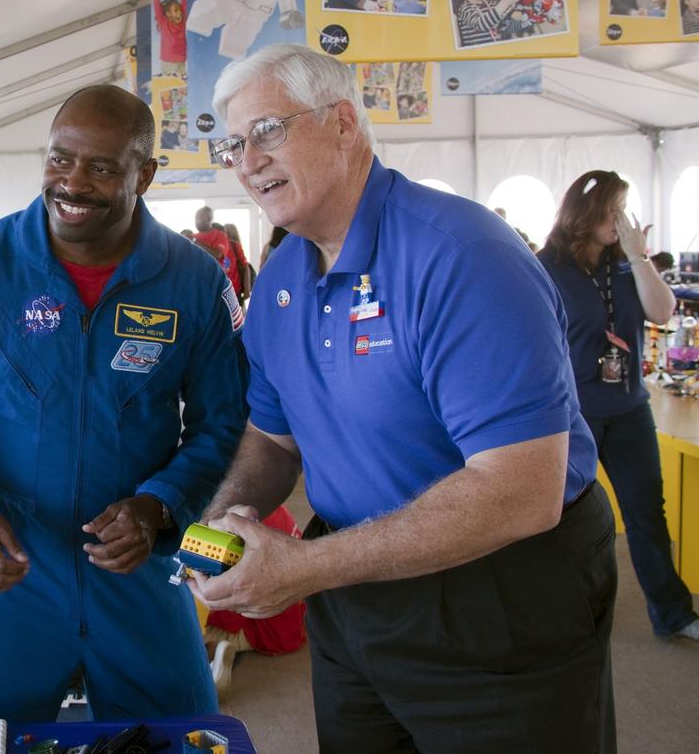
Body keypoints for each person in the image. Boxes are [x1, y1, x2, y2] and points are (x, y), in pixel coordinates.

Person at [196, 45, 615, 751]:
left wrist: (303, 568)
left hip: (498, 593)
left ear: (344, 124)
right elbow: (274, 438)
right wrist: (216, 522)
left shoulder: (460, 253)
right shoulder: (281, 280)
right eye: (233, 143)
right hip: (354, 592)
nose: (246, 159)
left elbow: (521, 491)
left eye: (267, 130)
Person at [0, 85, 247, 724]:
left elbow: (225, 420)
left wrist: (161, 503)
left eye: (101, 168)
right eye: (60, 159)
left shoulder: (193, 281)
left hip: (143, 566)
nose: (72, 183)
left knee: (179, 734)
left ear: (145, 175)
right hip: (12, 569)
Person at [538, 171, 699, 641]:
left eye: (624, 209)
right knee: (564, 519)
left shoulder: (628, 262)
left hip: (629, 409)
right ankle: (559, 618)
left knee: (647, 511)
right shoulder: (548, 265)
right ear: (585, 214)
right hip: (574, 414)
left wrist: (638, 255)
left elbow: (663, 311)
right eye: (613, 210)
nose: (622, 220)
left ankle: (673, 613)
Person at [202, 505, 306, 698]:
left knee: (192, 616)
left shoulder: (222, 526)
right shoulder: (268, 501)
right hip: (296, 617)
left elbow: (231, 600)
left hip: (265, 625)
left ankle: (209, 658)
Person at [194, 206, 242, 294]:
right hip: (202, 287)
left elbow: (217, 254)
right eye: (195, 218)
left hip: (224, 288)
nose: (195, 222)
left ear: (208, 219)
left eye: (198, 218)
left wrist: (195, 242)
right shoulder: (194, 237)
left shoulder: (220, 236)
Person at [152, 0, 187, 78]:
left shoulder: (183, 21)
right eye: (176, 11)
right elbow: (157, 7)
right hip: (167, 61)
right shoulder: (163, 23)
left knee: (180, 84)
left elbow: (184, 2)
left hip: (181, 60)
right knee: (170, 84)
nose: (179, 12)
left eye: (179, 10)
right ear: (168, 14)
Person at [223, 222, 253, 303]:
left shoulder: (235, 246)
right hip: (225, 290)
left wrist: (247, 289)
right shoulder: (217, 246)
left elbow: (245, 266)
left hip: (235, 290)